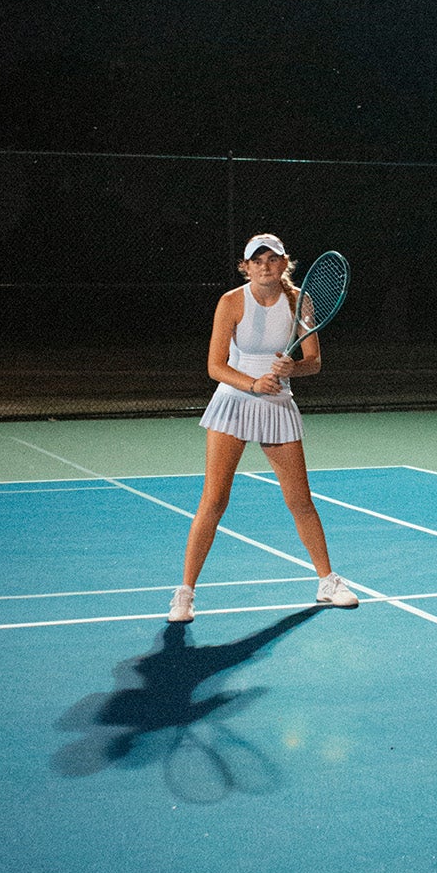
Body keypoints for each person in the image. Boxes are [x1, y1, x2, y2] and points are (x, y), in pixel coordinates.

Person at [168, 234, 359, 623]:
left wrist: (294, 370)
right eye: (257, 260)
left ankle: (328, 581)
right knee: (214, 500)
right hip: (234, 402)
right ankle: (185, 594)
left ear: (285, 262)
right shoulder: (231, 302)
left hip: (278, 405)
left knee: (300, 499)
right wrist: (253, 383)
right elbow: (215, 367)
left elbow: (314, 362)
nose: (265, 265)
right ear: (246, 267)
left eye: (273, 258)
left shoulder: (299, 302)